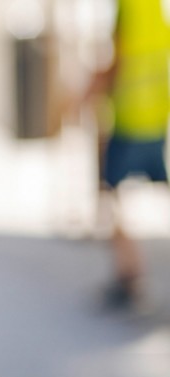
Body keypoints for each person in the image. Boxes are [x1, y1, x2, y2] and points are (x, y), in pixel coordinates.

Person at [84, 0, 170, 310]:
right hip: (156, 118)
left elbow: (119, 61)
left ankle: (128, 276)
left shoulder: (128, 7)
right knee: (153, 194)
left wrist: (88, 93)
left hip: (130, 119)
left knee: (116, 199)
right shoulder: (155, 9)